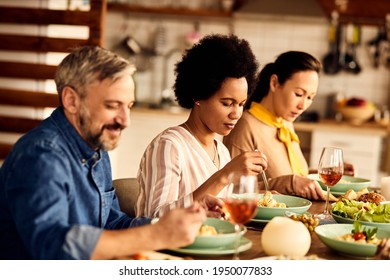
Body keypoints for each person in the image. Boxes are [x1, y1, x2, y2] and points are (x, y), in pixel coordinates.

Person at [0, 46, 224, 260]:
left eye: (128, 106)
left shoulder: (96, 147)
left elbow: (114, 226)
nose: (125, 121)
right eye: (112, 105)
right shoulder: (41, 156)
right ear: (71, 101)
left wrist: (175, 221)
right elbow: (52, 249)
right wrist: (155, 235)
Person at [135, 34, 268, 218]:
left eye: (241, 103)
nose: (236, 114)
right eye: (227, 103)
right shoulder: (169, 146)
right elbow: (154, 217)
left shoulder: (221, 151)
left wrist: (258, 197)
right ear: (198, 95)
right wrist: (225, 174)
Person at [223, 51, 354, 200]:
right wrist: (289, 183)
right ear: (274, 83)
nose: (303, 105)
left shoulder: (285, 122)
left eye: (310, 97)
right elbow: (232, 191)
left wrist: (324, 174)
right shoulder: (245, 126)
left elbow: (290, 174)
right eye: (298, 94)